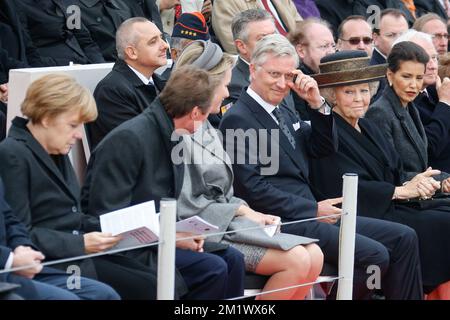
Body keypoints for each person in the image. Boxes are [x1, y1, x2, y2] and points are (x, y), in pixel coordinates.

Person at [219, 34, 424, 299]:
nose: (282, 83)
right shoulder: (239, 118)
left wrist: (317, 104)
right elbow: (250, 187)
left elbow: (322, 148)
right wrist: (312, 209)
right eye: (273, 74)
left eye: (288, 75)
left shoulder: (285, 107)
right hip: (285, 218)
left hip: (311, 211)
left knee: (404, 237)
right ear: (253, 70)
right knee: (374, 255)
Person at [0, 74, 175, 300]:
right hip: (54, 261)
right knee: (143, 287)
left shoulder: (54, 147)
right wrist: (80, 243)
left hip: (77, 252)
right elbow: (22, 231)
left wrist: (120, 229)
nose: (77, 134)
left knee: (156, 279)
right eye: (73, 125)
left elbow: (72, 215)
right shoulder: (13, 154)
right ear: (46, 117)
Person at [174, 40, 324, 300]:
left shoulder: (206, 126)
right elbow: (189, 203)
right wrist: (245, 212)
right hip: (206, 228)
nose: (225, 93)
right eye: (222, 86)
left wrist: (249, 213)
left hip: (230, 219)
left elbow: (226, 191)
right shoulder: (180, 132)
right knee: (298, 260)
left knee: (314, 254)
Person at [81, 66, 246, 300]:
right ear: (195, 113)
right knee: (212, 268)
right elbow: (106, 216)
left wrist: (180, 232)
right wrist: (169, 236)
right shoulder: (128, 139)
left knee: (233, 259)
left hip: (158, 234)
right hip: (126, 248)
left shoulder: (169, 133)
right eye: (206, 116)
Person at [310, 48, 450, 299]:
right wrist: (398, 190)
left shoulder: (368, 125)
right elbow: (342, 187)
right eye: (349, 92)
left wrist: (417, 181)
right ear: (332, 96)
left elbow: (394, 169)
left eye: (363, 90)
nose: (359, 98)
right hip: (369, 211)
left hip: (391, 204)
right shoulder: (326, 134)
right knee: (439, 224)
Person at [0, 178, 120, 300]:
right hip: (12, 271)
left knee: (105, 294)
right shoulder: (15, 160)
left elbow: (9, 218)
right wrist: (10, 260)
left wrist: (22, 246)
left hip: (23, 267)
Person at [366, 41, 450, 183]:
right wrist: (438, 180)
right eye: (406, 76)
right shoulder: (379, 112)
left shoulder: (409, 107)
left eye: (418, 78)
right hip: (402, 199)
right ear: (390, 75)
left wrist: (443, 181)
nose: (413, 85)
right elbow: (389, 174)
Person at [88, 17, 168, 149]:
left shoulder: (162, 83)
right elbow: (135, 145)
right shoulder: (111, 91)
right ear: (132, 52)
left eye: (161, 37)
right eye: (153, 41)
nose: (165, 45)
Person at [211, 0, 303, 54]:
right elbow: (235, 48)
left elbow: (301, 26)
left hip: (297, 55)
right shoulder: (226, 2)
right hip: (268, 65)